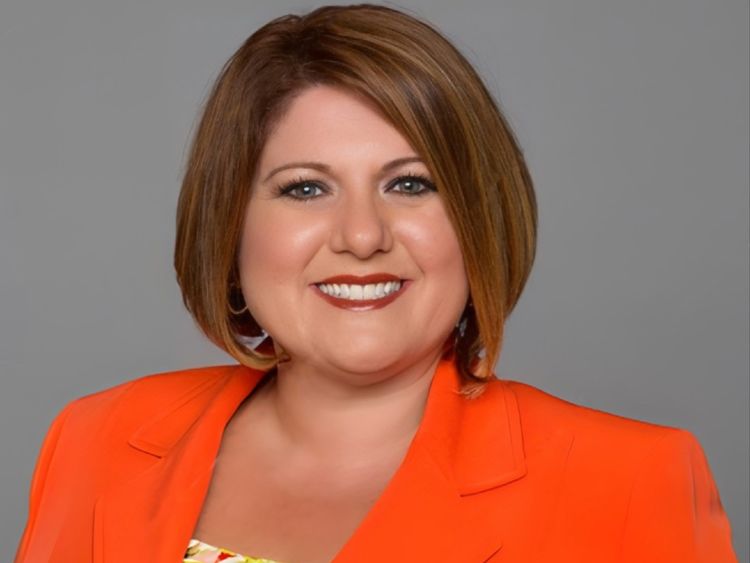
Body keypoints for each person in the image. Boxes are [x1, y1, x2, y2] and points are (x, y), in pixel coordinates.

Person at [14, 4, 737, 563]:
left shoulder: (634, 479)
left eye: (412, 184)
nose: (362, 237)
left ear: (478, 220)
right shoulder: (94, 439)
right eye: (303, 189)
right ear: (230, 227)